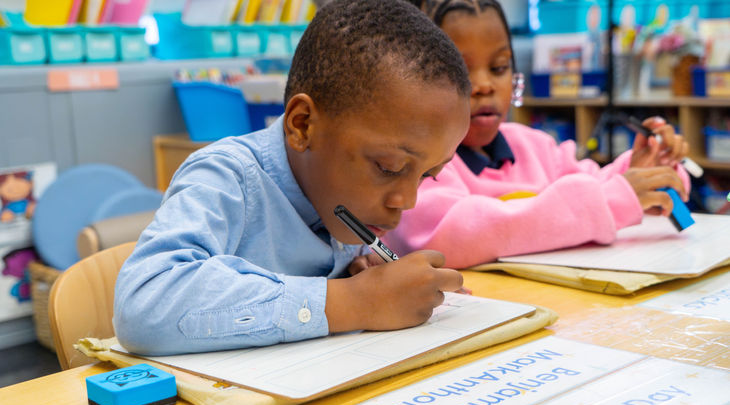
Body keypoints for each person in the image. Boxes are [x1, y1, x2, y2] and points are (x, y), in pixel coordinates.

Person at [113, 0, 471, 355]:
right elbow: (145, 306)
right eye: (389, 167)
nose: (407, 201)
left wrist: (365, 274)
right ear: (302, 125)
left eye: (428, 175)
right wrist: (354, 301)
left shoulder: (347, 201)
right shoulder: (225, 177)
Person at [385, 0, 690, 269]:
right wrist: (615, 199)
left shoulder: (535, 146)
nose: (484, 85)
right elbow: (452, 236)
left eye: (499, 67)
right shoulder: (419, 166)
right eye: (461, 71)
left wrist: (643, 171)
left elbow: (596, 185)